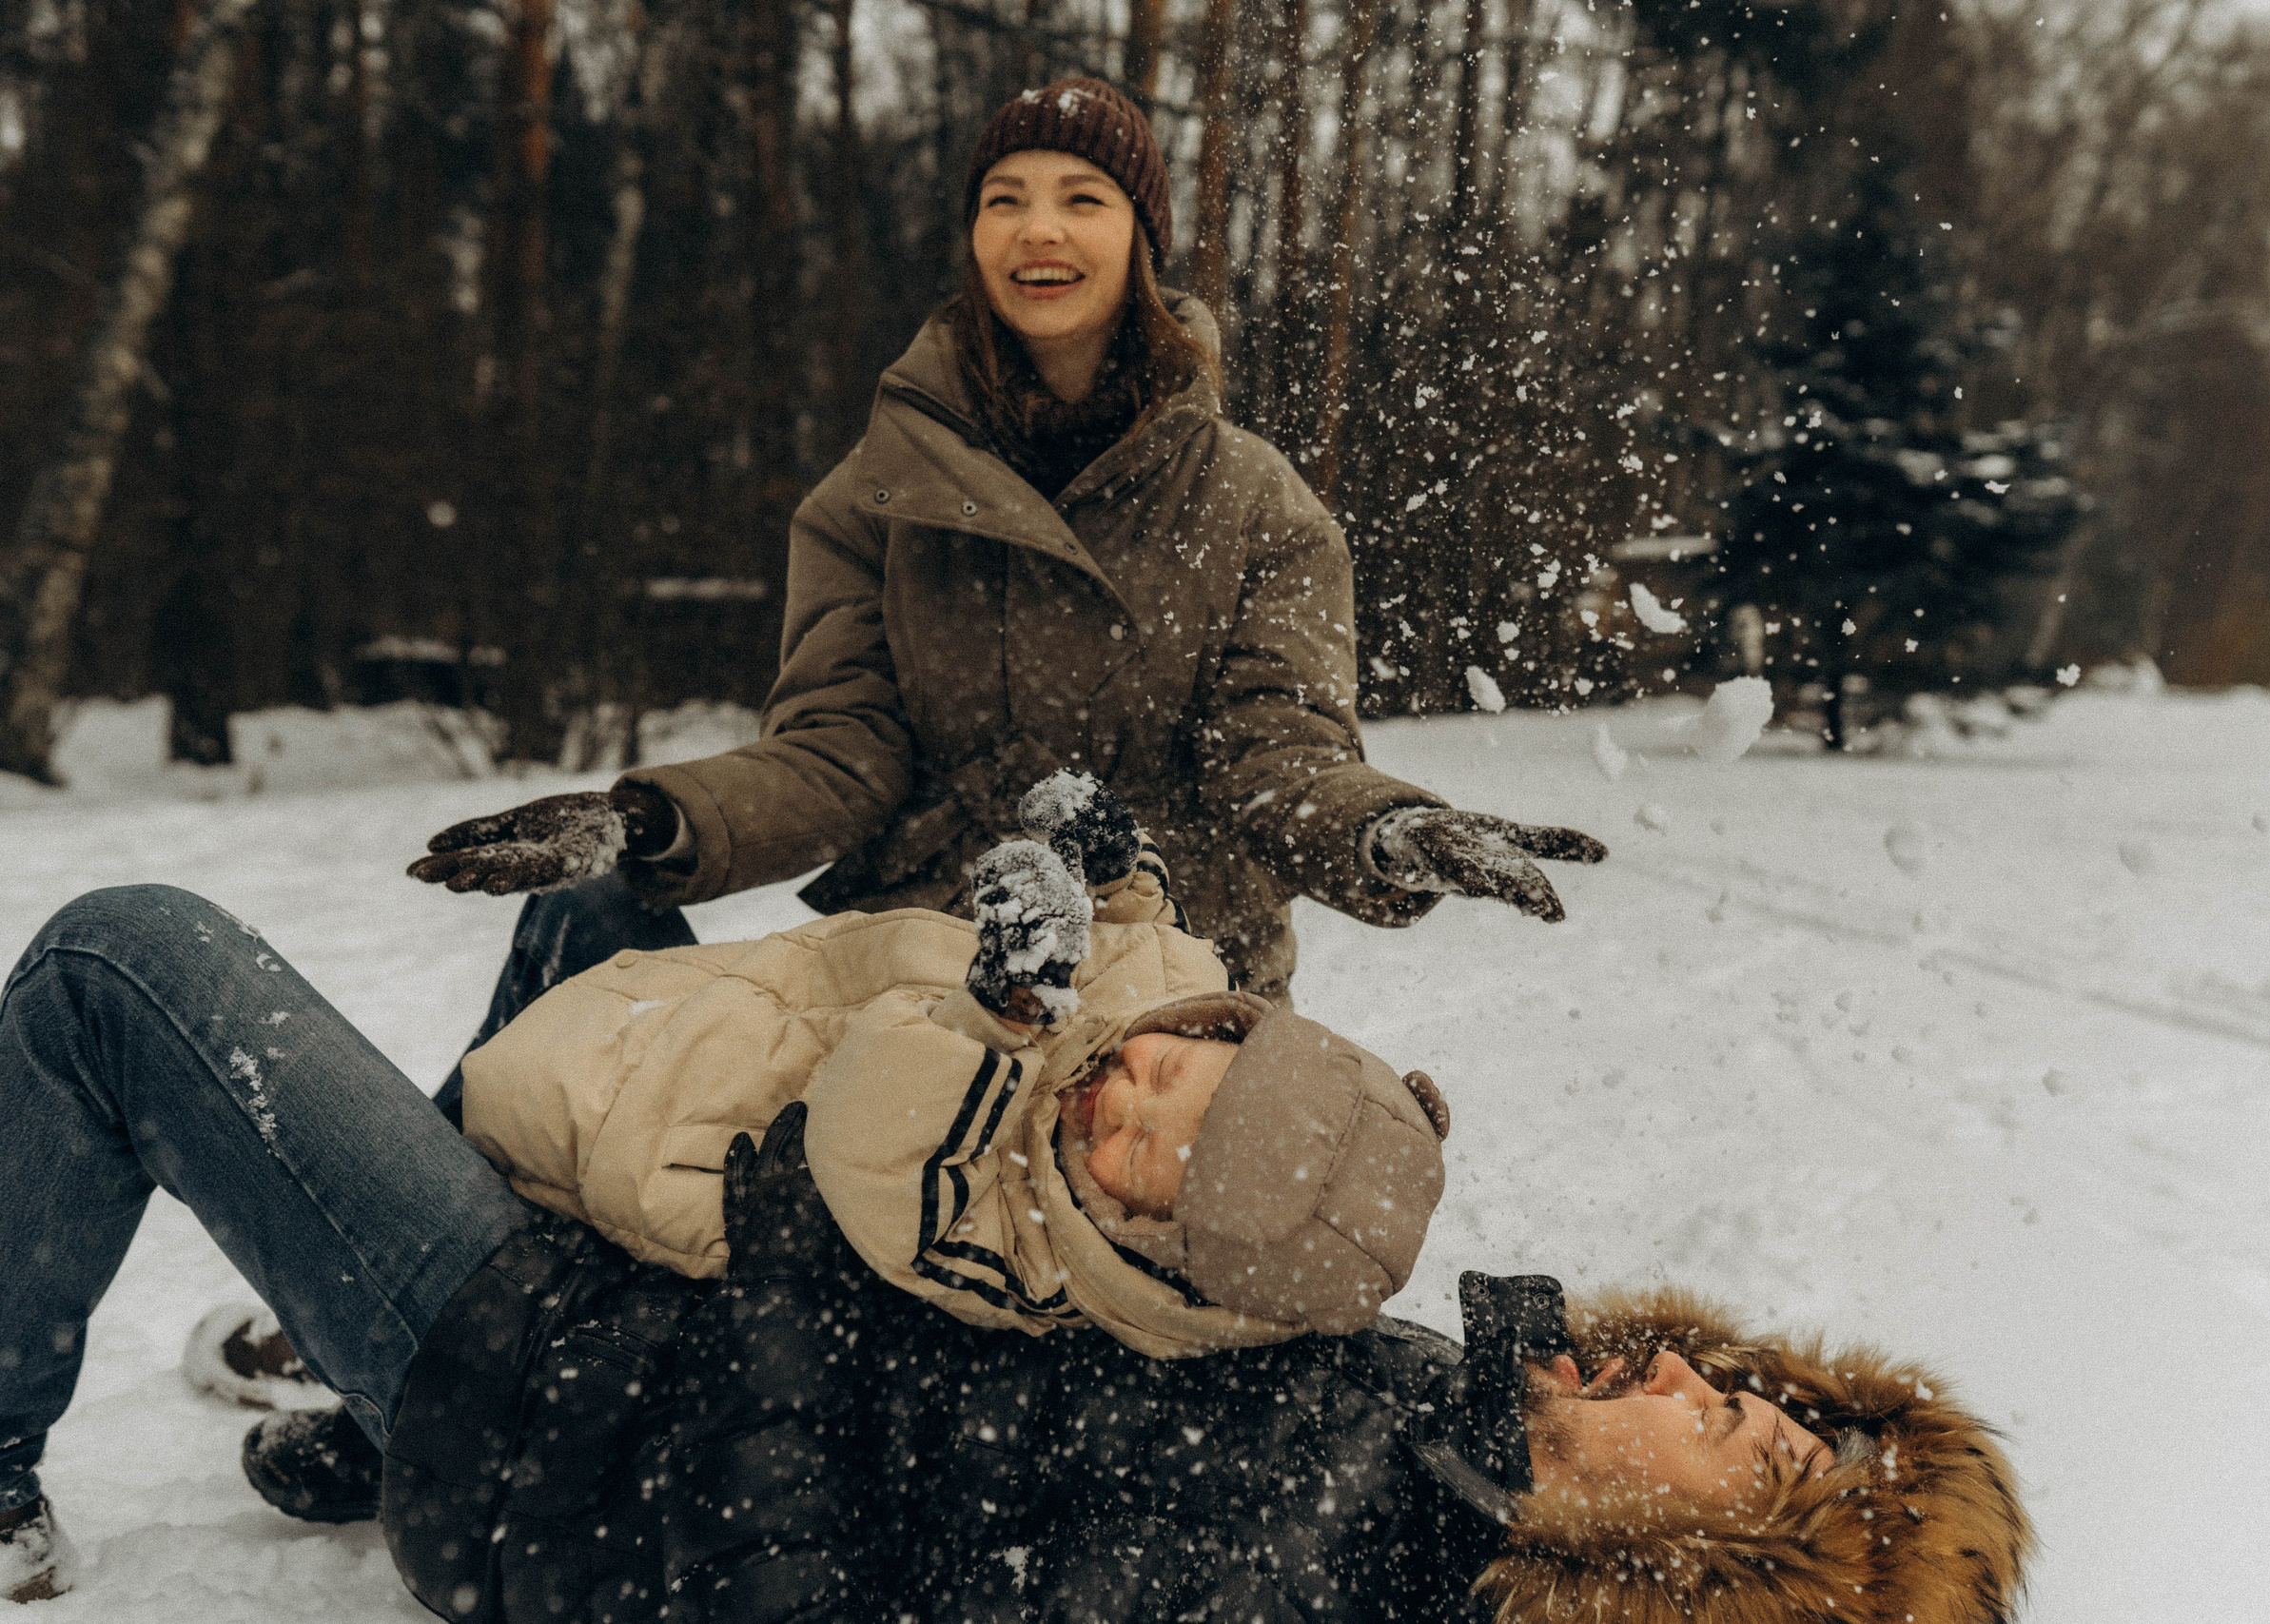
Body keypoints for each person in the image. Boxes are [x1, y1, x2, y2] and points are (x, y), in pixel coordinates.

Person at [0, 885, 2028, 1622]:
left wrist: (798, 1226)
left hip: (592, 1435)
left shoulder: (1299, 1564)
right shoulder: (1430, 1439)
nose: (1707, 1380)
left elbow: (781, 1586)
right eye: (1764, 1390)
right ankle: (358, 1391)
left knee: (118, 962)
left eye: (1752, 1455)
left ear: (1705, 1597)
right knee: (594, 932)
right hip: (693, 1308)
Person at [401, 73, 1606, 1030]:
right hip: (916, 978)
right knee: (594, 964)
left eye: (1083, 197)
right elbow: (837, 755)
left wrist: (1387, 829)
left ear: (1141, 236)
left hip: (1172, 1002)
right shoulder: (871, 499)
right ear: (973, 236)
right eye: (1004, 198)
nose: (1040, 229)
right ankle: (446, 1279)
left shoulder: (1256, 503)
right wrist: (650, 820)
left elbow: (1275, 757)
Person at [458, 772, 1450, 1355]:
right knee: (581, 913)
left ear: (1151, 1243)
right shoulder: (1175, 984)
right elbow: (1150, 932)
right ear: (1213, 1032)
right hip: (713, 1008)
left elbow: (870, 1147)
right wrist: (1117, 870)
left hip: (632, 1125)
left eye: (1140, 1158)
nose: (1121, 1106)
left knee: (478, 1099)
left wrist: (1001, 1009)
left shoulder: (1026, 1256)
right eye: (1164, 1077)